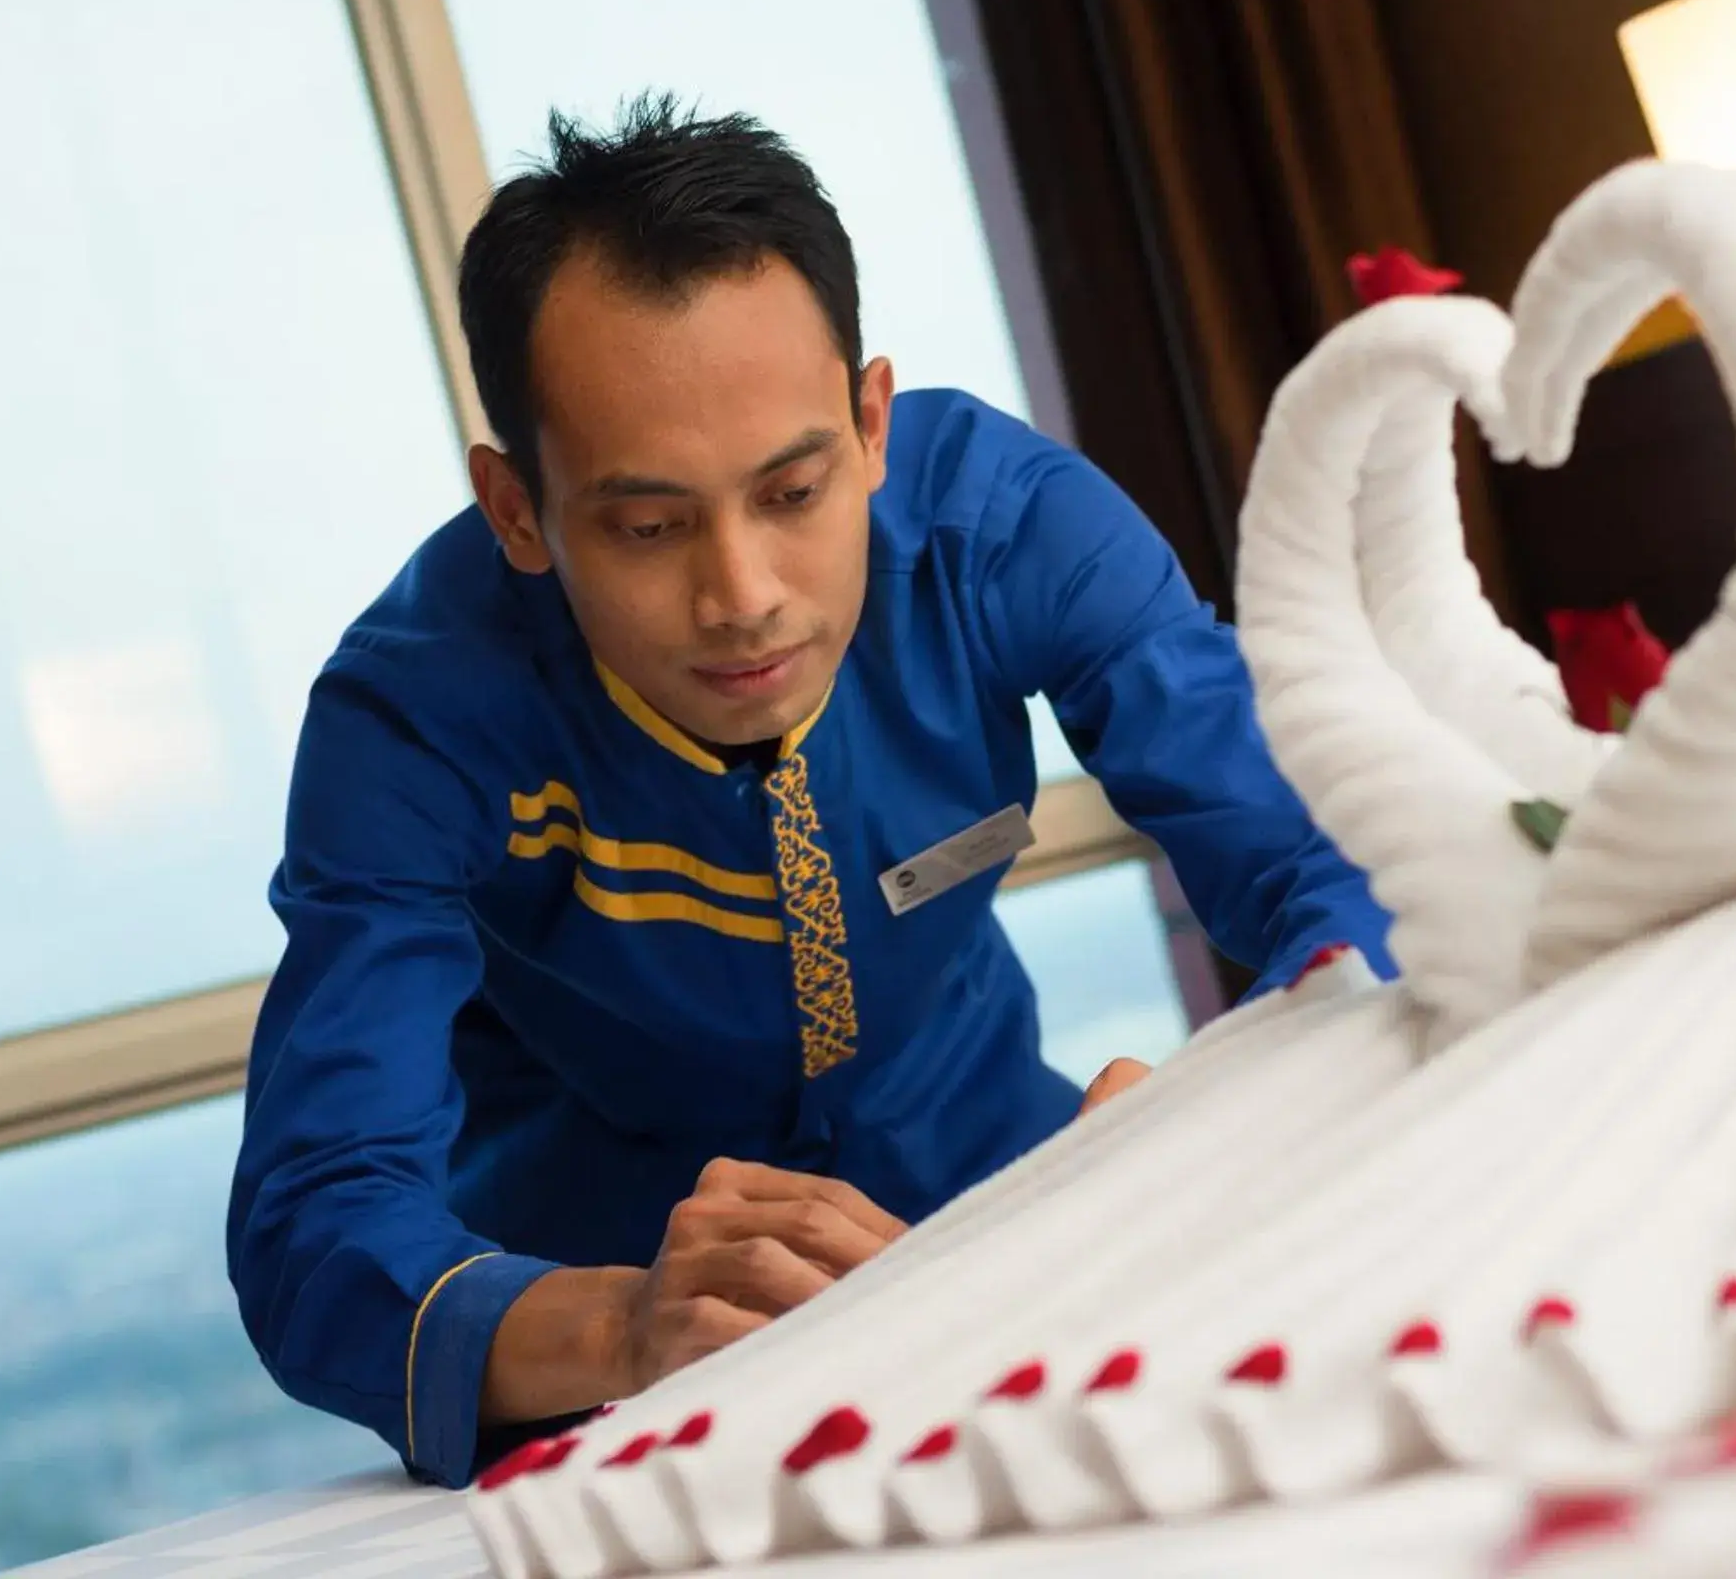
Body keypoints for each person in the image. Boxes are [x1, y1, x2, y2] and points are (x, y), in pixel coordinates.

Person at [226, 97, 1392, 1486]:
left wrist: (1207, 1127)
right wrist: (625, 1322)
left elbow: (1349, 869)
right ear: (517, 510)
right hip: (638, 1381)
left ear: (872, 422)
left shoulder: (1003, 531)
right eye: (651, 527)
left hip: (1026, 1247)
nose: (744, 598)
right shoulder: (414, 716)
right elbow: (317, 1224)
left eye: (793, 492)